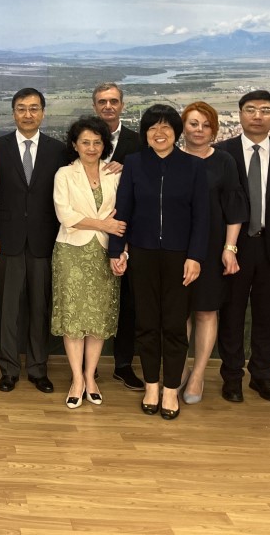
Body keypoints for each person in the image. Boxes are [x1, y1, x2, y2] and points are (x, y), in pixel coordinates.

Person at [108, 104, 209, 420]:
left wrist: (195, 256)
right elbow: (122, 210)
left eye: (166, 126)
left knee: (175, 326)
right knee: (147, 324)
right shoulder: (135, 164)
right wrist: (116, 250)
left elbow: (202, 218)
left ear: (176, 132)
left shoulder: (194, 167)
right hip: (143, 253)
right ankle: (152, 386)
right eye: (153, 127)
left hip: (181, 257)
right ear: (146, 133)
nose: (159, 132)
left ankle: (171, 390)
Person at [215, 90, 270, 404]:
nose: (257, 116)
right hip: (234, 247)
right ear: (240, 114)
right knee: (232, 314)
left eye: (265, 110)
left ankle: (262, 376)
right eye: (250, 109)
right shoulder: (222, 152)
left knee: (267, 316)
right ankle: (232, 377)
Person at [0, 87, 66, 394]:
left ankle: (37, 369)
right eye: (22, 108)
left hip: (45, 241)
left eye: (34, 108)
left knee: (39, 308)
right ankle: (8, 369)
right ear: (13, 113)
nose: (28, 114)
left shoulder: (58, 150)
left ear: (43, 112)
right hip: (8, 240)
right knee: (9, 310)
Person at [51, 116, 125, 409]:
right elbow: (65, 215)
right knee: (73, 317)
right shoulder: (64, 174)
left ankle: (91, 376)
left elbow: (123, 216)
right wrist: (103, 224)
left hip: (104, 252)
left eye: (97, 142)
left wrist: (122, 251)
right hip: (71, 252)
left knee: (97, 317)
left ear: (104, 145)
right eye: (85, 142)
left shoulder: (115, 174)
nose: (91, 147)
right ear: (75, 144)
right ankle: (77, 380)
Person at [180, 101, 248, 404]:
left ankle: (198, 375)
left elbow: (234, 209)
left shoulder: (224, 161)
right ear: (183, 127)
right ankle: (179, 369)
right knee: (179, 313)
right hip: (176, 247)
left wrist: (229, 248)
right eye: (193, 123)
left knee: (206, 310)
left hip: (211, 247)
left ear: (214, 130)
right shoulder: (170, 158)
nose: (199, 130)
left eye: (206, 125)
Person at [92, 82, 145, 391]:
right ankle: (87, 366)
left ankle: (123, 365)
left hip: (128, 234)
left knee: (129, 303)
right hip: (90, 233)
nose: (108, 106)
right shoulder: (83, 138)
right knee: (91, 299)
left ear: (122, 105)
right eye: (102, 101)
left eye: (113, 101)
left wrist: (128, 169)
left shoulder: (138, 142)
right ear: (95, 106)